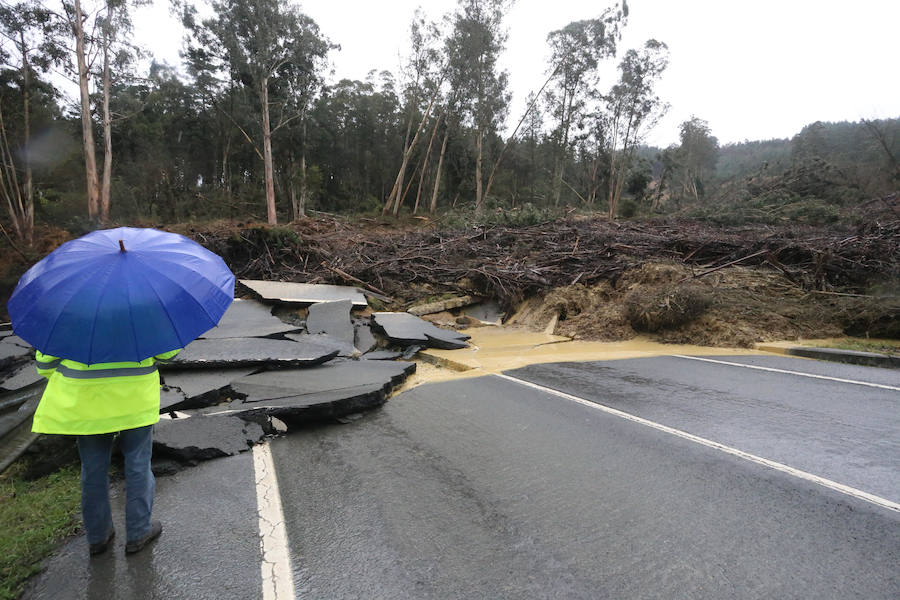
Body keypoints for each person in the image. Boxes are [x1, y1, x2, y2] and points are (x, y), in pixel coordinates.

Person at [32, 348, 181, 556]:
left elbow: (45, 366)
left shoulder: (71, 318)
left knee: (93, 468)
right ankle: (139, 531)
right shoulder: (140, 315)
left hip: (87, 403)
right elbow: (167, 354)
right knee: (138, 464)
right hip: (136, 399)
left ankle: (98, 536)